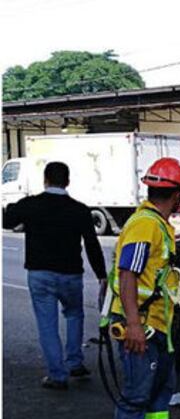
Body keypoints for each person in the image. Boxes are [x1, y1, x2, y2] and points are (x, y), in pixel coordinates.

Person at [108, 157, 180, 419]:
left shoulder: (157, 224)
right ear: (176, 195)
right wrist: (133, 323)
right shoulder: (145, 225)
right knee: (136, 395)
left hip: (157, 326)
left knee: (160, 392)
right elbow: (128, 274)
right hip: (140, 327)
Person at [3, 161, 107, 390]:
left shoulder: (31, 205)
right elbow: (92, 244)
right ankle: (75, 362)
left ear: (45, 180)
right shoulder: (79, 210)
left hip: (40, 275)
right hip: (71, 275)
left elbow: (8, 220)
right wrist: (102, 274)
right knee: (74, 315)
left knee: (47, 325)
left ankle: (57, 375)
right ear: (67, 181)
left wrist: (15, 205)